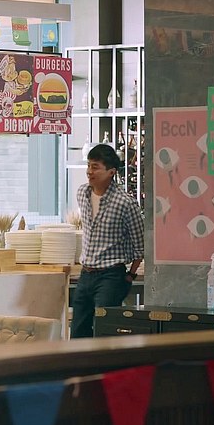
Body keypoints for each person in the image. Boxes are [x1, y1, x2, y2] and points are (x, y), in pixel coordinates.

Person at [71, 144, 144, 338]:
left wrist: (130, 276)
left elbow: (140, 245)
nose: (89, 171)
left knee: (104, 331)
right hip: (86, 273)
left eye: (95, 167)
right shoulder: (82, 193)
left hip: (111, 276)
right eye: (88, 166)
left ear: (111, 172)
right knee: (77, 331)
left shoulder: (125, 202)